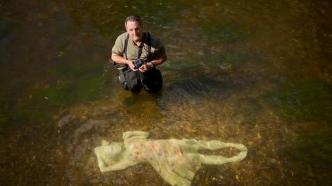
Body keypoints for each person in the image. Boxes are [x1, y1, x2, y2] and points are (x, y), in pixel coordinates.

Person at [94, 131, 248, 186]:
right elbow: (104, 169)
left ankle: (229, 144)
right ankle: (231, 159)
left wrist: (102, 146)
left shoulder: (128, 139)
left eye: (110, 147)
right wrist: (98, 152)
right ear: (114, 156)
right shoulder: (127, 160)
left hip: (170, 144)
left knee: (200, 144)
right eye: (111, 152)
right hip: (168, 159)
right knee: (199, 157)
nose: (112, 149)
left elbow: (146, 133)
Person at [111, 15, 167, 93]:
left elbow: (163, 57)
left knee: (154, 90)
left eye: (137, 29)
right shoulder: (122, 39)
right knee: (133, 88)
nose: (134, 33)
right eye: (131, 30)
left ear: (142, 27)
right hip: (129, 68)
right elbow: (114, 56)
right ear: (126, 30)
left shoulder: (154, 40)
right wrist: (128, 62)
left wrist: (150, 64)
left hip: (148, 68)